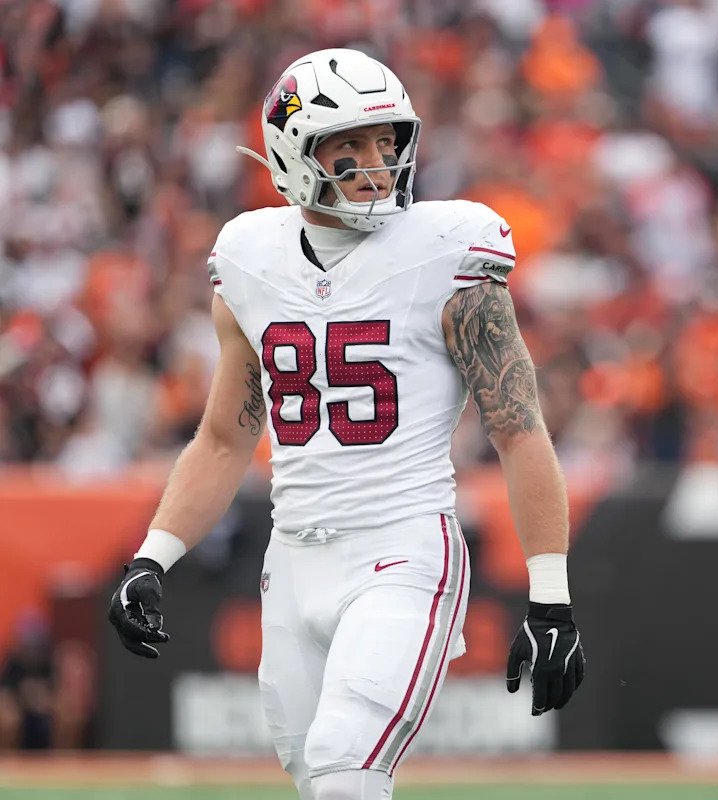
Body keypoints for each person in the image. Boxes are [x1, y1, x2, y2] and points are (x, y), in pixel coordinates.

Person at [106, 48, 585, 800]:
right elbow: (225, 436)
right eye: (350, 145)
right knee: (319, 778)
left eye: (386, 141)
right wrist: (152, 557)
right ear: (293, 154)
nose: (377, 163)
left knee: (344, 761)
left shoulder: (446, 251)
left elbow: (518, 427)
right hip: (292, 561)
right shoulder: (250, 259)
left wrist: (550, 594)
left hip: (404, 549)